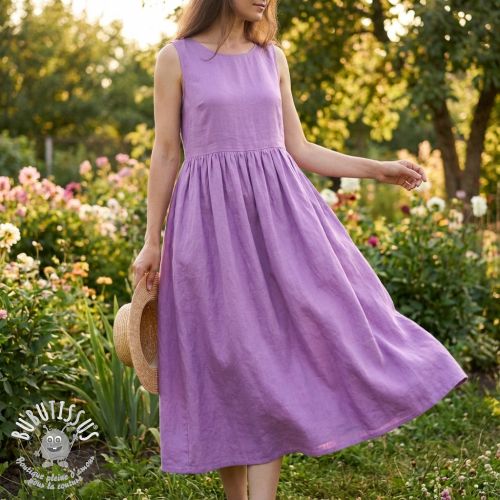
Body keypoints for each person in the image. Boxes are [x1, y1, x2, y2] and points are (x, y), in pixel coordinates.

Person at [131, 1, 468, 499]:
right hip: (209, 226)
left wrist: (378, 169)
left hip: (280, 222)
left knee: (273, 356)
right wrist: (151, 239)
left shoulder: (272, 58)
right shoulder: (175, 58)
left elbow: (300, 148)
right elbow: (165, 152)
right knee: (228, 361)